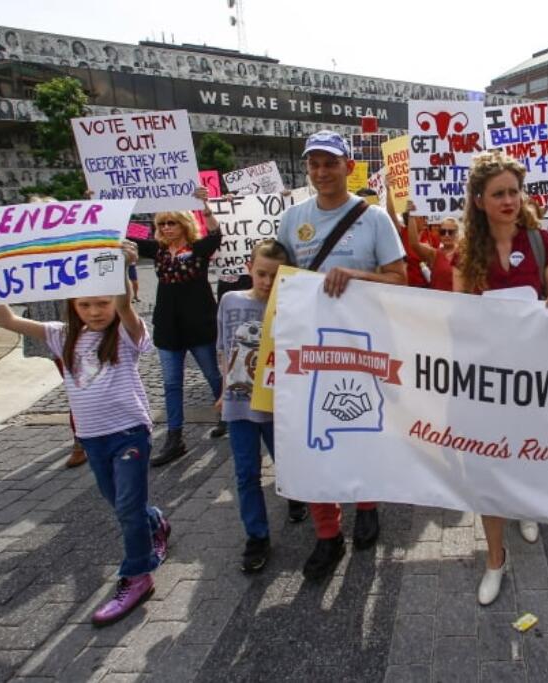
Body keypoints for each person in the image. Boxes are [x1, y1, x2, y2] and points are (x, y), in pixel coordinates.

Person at [0, 240, 170, 627]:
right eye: (85, 304)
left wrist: (119, 266)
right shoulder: (59, 335)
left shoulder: (126, 333)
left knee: (125, 508)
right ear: (72, 305)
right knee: (120, 502)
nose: (95, 311)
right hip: (92, 438)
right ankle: (155, 521)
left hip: (129, 434)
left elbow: (124, 305)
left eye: (101, 303)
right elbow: (6, 320)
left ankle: (138, 575)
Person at [276, 130, 407, 580]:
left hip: (362, 346)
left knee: (362, 428)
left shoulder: (374, 219)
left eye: (330, 163)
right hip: (309, 351)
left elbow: (399, 280)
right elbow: (281, 281)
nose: (320, 172)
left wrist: (353, 275)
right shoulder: (293, 219)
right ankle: (327, 534)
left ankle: (367, 502)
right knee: (311, 436)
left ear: (349, 167)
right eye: (313, 163)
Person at [452, 150, 548, 606]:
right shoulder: (463, 251)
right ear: (479, 200)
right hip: (485, 378)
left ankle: (526, 508)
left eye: (514, 191)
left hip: (531, 374)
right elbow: (458, 315)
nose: (509, 200)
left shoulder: (540, 240)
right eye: (498, 193)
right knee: (487, 467)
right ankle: (495, 559)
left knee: (527, 454)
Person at [216, 239, 301, 573]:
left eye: (275, 276)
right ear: (249, 268)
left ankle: (296, 496)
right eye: (262, 274)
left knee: (288, 463)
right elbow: (224, 347)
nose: (267, 282)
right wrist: (223, 389)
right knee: (246, 474)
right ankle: (257, 536)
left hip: (275, 404)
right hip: (238, 405)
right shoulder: (229, 300)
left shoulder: (289, 306)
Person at [131, 187, 227, 466]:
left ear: (184, 224)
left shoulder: (198, 249)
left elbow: (216, 235)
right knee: (172, 384)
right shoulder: (157, 250)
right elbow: (123, 234)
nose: (166, 228)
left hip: (199, 325)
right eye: (161, 223)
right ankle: (175, 438)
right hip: (168, 327)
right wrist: (98, 204)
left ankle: (226, 414)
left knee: (212, 374)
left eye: (171, 222)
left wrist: (205, 204)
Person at [407, 214, 459, 293]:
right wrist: (411, 215)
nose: (446, 235)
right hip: (437, 301)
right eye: (443, 232)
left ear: (457, 234)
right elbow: (414, 244)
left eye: (451, 232)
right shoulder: (434, 254)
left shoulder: (465, 254)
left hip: (458, 302)